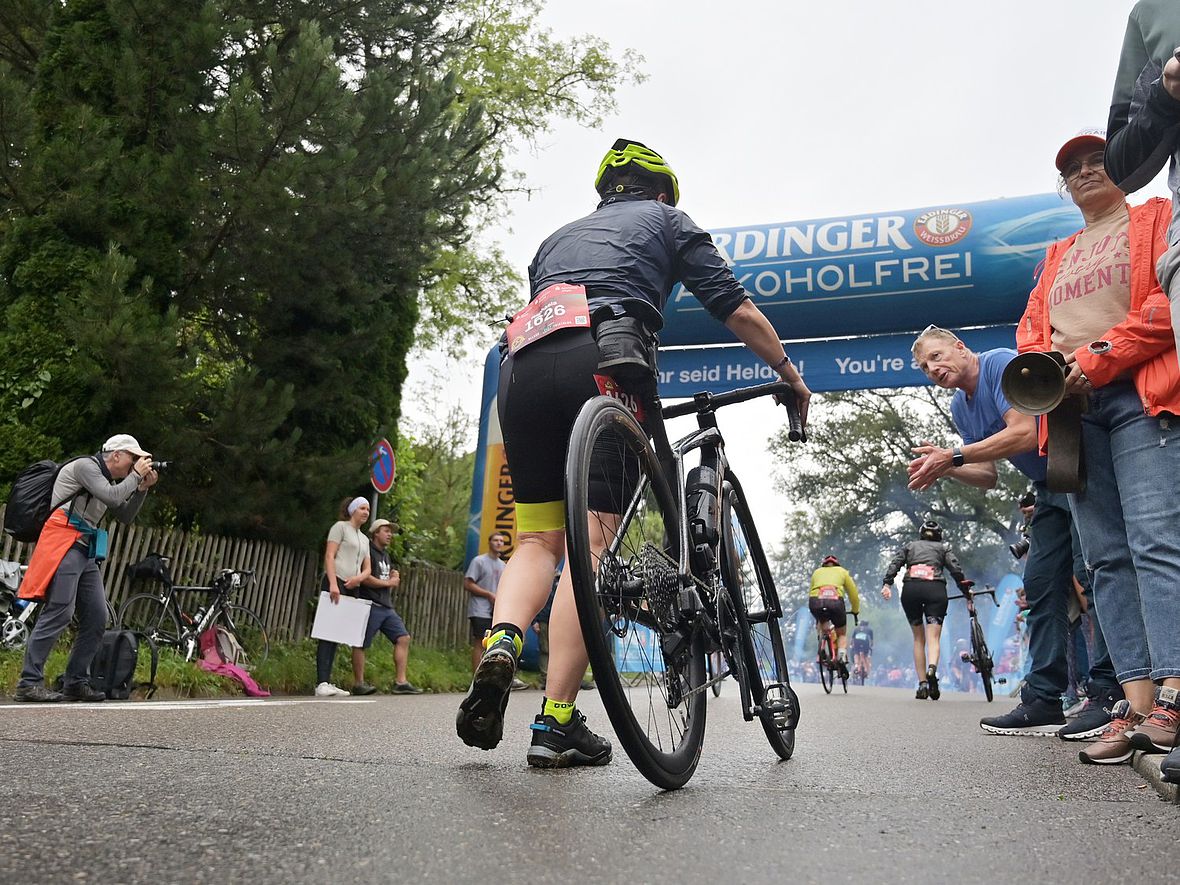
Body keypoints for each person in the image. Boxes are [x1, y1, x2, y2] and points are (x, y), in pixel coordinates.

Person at [455, 138, 811, 767]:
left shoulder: (555, 239)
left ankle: (503, 641)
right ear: (664, 191)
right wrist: (788, 373)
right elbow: (736, 308)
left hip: (521, 367)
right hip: (607, 357)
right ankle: (556, 719)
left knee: (538, 543)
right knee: (592, 545)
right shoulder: (669, 221)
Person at [1016, 128, 1180, 765]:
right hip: (1072, 411)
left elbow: (1170, 304)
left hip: (1141, 396)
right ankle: (1136, 702)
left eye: (1097, 161)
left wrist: (1098, 357)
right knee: (1106, 557)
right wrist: (1048, 367)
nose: (1084, 172)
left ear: (1126, 166)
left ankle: (1175, 689)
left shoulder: (1159, 217)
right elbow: (1033, 329)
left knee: (1156, 540)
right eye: (1072, 168)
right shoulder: (1057, 252)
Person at [907, 327, 1121, 738]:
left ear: (960, 347)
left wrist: (953, 455)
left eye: (937, 356)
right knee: (1039, 585)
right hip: (1048, 489)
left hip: (1079, 470)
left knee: (1094, 579)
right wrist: (946, 466)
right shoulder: (959, 406)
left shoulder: (1001, 363)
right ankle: (1044, 699)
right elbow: (986, 476)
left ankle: (1108, 690)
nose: (933, 368)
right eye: (925, 366)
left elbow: (1025, 431)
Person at [14, 434, 159, 702]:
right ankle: (28, 682)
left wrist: (141, 489)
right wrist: (135, 478)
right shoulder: (86, 467)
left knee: (96, 616)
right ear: (115, 455)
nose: (135, 464)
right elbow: (112, 496)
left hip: (84, 548)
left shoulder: (111, 481)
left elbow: (124, 515)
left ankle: (75, 682)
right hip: (64, 542)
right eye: (132, 458)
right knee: (60, 610)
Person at [881, 521, 968, 701]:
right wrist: (966, 590)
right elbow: (955, 569)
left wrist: (887, 582)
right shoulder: (943, 548)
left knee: (918, 639)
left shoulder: (910, 546)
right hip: (935, 590)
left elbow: (896, 562)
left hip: (911, 590)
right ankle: (932, 669)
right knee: (933, 637)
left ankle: (922, 684)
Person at [352, 518, 421, 695]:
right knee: (360, 643)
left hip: (385, 606)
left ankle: (401, 681)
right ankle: (359, 683)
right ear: (375, 533)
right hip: (370, 604)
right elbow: (365, 577)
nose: (390, 534)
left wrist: (392, 576)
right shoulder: (368, 551)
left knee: (403, 637)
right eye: (386, 531)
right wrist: (389, 582)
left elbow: (384, 578)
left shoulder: (385, 554)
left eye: (391, 531)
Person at [314, 496, 372, 698]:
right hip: (336, 581)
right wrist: (332, 583)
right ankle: (321, 681)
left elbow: (368, 568)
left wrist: (358, 579)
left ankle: (328, 681)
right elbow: (330, 555)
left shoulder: (364, 539)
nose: (366, 512)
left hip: (352, 585)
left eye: (368, 509)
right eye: (362, 508)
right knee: (327, 633)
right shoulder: (340, 527)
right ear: (353, 510)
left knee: (338, 635)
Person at [464, 531, 523, 691]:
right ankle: (476, 677)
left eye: (501, 541)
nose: (498, 543)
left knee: (497, 640)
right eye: (495, 540)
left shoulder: (503, 565)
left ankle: (495, 677)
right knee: (480, 642)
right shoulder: (479, 561)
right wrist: (488, 594)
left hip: (497, 611)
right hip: (480, 609)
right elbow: (468, 584)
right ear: (489, 542)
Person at [808, 555, 860, 669]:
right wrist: (855, 610)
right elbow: (853, 594)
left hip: (816, 602)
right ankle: (841, 656)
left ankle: (821, 647)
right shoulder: (842, 572)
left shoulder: (816, 572)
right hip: (835, 602)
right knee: (841, 633)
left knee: (822, 624)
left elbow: (811, 591)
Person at [850, 617, 873, 682]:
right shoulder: (869, 629)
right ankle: (866, 671)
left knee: (856, 653)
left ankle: (857, 666)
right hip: (865, 643)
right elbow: (871, 641)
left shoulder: (856, 629)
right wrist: (871, 647)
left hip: (857, 642)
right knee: (865, 656)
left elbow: (852, 639)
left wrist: (851, 645)